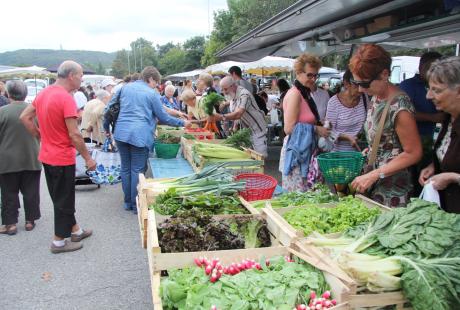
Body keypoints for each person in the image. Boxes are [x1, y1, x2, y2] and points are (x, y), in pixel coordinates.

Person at [20, 60, 96, 253]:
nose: (81, 79)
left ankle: (76, 230)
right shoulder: (66, 98)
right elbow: (75, 134)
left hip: (47, 155)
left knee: (61, 197)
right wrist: (88, 158)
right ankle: (58, 242)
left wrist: (40, 136)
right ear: (71, 76)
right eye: (80, 75)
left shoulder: (44, 93)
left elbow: (25, 117)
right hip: (62, 157)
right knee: (64, 200)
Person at [106, 66, 191, 213]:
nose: (157, 86)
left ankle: (128, 202)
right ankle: (135, 204)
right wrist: (182, 122)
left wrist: (107, 129)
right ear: (150, 79)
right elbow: (163, 117)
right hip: (140, 134)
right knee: (137, 170)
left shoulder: (124, 88)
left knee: (126, 168)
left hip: (121, 133)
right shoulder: (152, 94)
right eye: (156, 82)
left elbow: (108, 109)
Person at [349, 44, 422, 207]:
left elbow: (414, 153)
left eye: (365, 84)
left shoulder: (400, 105)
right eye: (356, 83)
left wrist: (374, 175)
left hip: (392, 191)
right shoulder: (375, 96)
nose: (360, 89)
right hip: (375, 184)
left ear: (384, 74)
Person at [279, 53, 329, 192]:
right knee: (299, 199)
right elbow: (288, 128)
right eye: (309, 75)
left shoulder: (304, 92)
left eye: (315, 75)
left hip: (304, 152)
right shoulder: (295, 94)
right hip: (297, 156)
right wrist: (316, 129)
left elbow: (304, 119)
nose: (313, 79)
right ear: (299, 73)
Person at [399, 52, 445, 195]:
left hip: (429, 142)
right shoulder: (407, 86)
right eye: (432, 67)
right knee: (414, 178)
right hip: (412, 141)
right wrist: (432, 118)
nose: (429, 96)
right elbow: (405, 113)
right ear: (421, 67)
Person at [418, 57, 460, 213]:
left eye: (436, 90)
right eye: (429, 88)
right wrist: (434, 166)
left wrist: (452, 177)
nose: (429, 96)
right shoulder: (448, 118)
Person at [0, 80, 41, 235]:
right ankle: (30, 221)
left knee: (8, 192)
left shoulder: (2, 111)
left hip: (7, 159)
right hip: (31, 156)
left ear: (8, 94)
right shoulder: (34, 111)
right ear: (25, 94)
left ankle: (10, 224)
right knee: (31, 190)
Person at [212, 76, 268, 156]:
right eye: (222, 89)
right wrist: (234, 126)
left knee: (259, 158)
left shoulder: (244, 94)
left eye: (225, 89)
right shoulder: (233, 94)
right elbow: (235, 108)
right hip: (247, 132)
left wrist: (221, 117)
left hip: (257, 132)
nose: (224, 92)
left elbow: (238, 114)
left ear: (233, 86)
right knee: (249, 159)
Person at [325, 69, 367, 152]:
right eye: (356, 85)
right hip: (338, 154)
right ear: (346, 84)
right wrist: (347, 137)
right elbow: (328, 132)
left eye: (362, 85)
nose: (360, 89)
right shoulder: (334, 102)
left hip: (358, 152)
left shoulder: (364, 98)